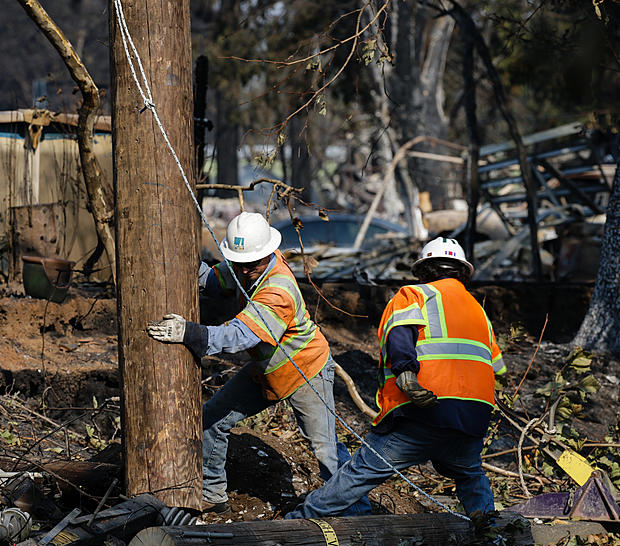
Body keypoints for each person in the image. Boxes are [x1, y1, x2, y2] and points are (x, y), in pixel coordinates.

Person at [147, 211, 368, 515]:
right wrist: (181, 258)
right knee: (212, 417)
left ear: (266, 254)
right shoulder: (245, 264)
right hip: (268, 370)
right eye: (238, 264)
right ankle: (212, 492)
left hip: (305, 371)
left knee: (326, 449)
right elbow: (214, 280)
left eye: (250, 264)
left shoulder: (278, 289)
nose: (244, 271)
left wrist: (190, 333)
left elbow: (240, 336)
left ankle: (358, 514)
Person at [287, 237, 506, 519]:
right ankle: (490, 539)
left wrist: (406, 373)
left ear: (424, 271)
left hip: (423, 410)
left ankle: (301, 521)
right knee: (470, 476)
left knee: (361, 472)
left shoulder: (413, 295)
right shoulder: (479, 311)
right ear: (462, 272)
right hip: (473, 417)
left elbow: (400, 335)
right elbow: (498, 368)